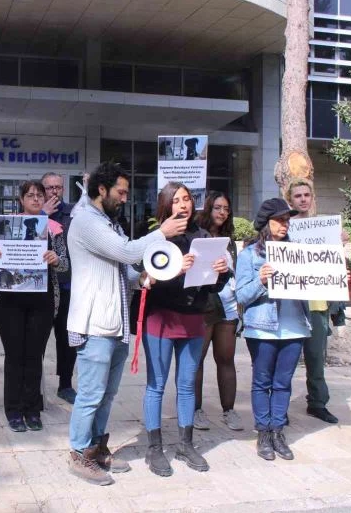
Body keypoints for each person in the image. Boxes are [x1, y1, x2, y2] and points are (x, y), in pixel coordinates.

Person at [65, 162, 190, 486]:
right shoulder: (86, 221)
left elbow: (126, 270)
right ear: (101, 190)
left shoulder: (110, 223)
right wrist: (162, 233)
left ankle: (96, 447)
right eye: (120, 193)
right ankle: (78, 453)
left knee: (107, 395)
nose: (124, 198)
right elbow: (125, 251)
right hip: (94, 324)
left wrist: (148, 276)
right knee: (91, 394)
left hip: (115, 323)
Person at [138, 183, 230, 476]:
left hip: (194, 319)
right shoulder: (157, 238)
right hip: (161, 318)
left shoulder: (203, 237)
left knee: (187, 384)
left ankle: (185, 444)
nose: (183, 204)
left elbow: (212, 287)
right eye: (176, 200)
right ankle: (154, 449)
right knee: (156, 384)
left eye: (187, 199)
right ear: (166, 205)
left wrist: (220, 272)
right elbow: (146, 280)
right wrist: (177, 270)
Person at [0, 180, 68, 432]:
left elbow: (65, 264)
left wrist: (55, 259)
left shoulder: (54, 229)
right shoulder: (8, 225)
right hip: (10, 300)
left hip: (41, 301)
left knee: (34, 356)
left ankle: (32, 410)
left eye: (39, 195)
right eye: (30, 195)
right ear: (21, 200)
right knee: (14, 356)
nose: (35, 199)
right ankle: (13, 410)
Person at [236, 198, 309, 462]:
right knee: (262, 382)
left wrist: (335, 281)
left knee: (283, 383)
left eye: (287, 220)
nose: (284, 224)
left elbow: (314, 284)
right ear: (266, 223)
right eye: (279, 220)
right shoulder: (249, 255)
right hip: (262, 328)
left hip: (294, 328)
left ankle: (278, 431)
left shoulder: (299, 252)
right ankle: (263, 433)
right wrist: (261, 280)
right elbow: (241, 296)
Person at [285, 177, 339, 424]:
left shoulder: (325, 229)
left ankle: (317, 403)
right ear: (290, 200)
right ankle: (280, 407)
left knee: (316, 358)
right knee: (286, 361)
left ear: (312, 198)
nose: (303, 199)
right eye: (298, 196)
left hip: (317, 304)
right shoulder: (284, 229)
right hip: (292, 304)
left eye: (306, 195)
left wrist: (339, 243)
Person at [192, 191, 243, 432]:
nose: (222, 212)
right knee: (197, 359)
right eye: (218, 207)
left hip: (228, 307)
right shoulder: (197, 237)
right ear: (208, 209)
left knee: (226, 358)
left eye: (226, 208)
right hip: (204, 306)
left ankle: (229, 410)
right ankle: (195, 410)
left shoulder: (229, 241)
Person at [41, 172, 77, 404]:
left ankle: (65, 384)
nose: (54, 191)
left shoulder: (73, 214)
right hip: (41, 289)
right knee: (38, 339)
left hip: (67, 285)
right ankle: (36, 385)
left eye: (58, 187)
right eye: (49, 187)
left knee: (66, 339)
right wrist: (42, 216)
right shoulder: (34, 213)